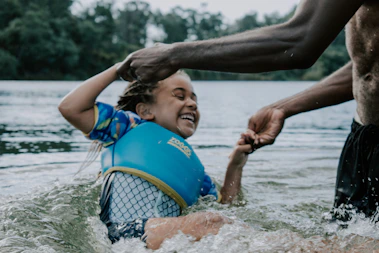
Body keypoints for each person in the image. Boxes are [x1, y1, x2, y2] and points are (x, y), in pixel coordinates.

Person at [116, 0, 379, 219]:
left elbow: (300, 41)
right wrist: (283, 107)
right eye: (178, 95)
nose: (192, 103)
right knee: (347, 235)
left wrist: (172, 55)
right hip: (363, 139)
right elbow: (366, 65)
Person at [58, 63, 254, 249]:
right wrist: (118, 70)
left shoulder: (197, 171)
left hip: (158, 241)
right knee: (212, 222)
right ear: (145, 110)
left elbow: (227, 205)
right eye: (180, 96)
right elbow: (71, 108)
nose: (192, 104)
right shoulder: (125, 127)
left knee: (217, 222)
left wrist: (236, 165)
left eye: (195, 99)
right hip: (123, 235)